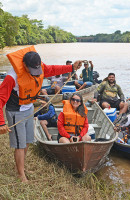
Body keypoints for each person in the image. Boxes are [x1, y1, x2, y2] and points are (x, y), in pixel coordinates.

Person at [0, 46, 82, 182]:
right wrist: (1, 122)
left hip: (29, 108)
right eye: (32, 70)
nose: (35, 73)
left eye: (36, 70)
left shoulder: (39, 67)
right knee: (20, 144)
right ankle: (20, 174)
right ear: (24, 65)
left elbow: (52, 69)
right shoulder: (11, 77)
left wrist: (71, 67)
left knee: (26, 141)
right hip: (16, 111)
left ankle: (21, 168)